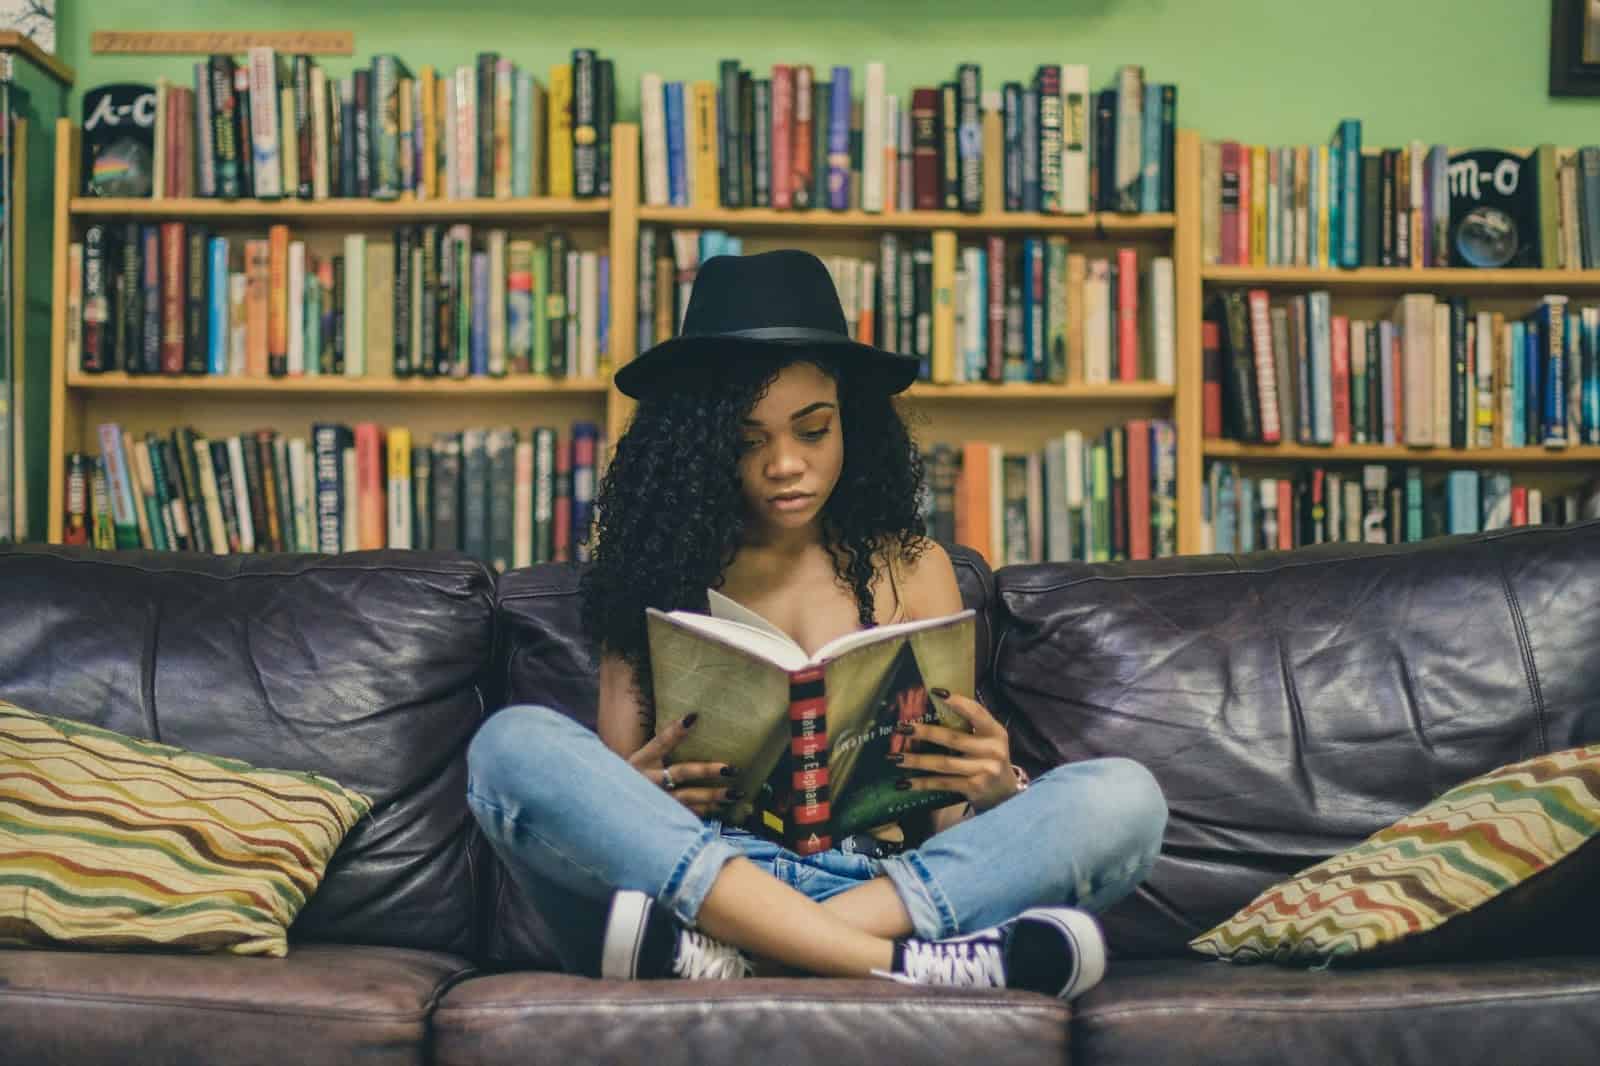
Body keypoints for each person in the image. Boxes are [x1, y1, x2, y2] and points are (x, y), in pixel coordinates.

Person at [465, 249, 1168, 999]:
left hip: (884, 884)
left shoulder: (915, 567)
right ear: (701, 447)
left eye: (812, 430)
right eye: (747, 439)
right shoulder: (647, 574)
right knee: (510, 749)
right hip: (702, 881)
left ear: (850, 427)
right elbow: (612, 817)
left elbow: (946, 825)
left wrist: (996, 788)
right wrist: (638, 792)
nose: (784, 465)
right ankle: (900, 965)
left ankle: (763, 954)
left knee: (1126, 799)